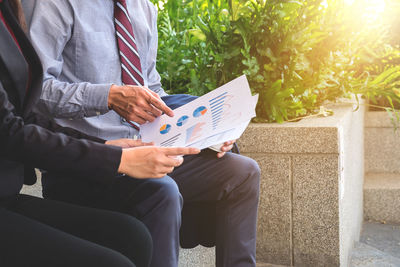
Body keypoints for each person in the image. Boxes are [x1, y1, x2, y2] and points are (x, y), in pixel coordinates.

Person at [25, 0, 261, 266]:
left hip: (147, 150)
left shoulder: (143, 7)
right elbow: (33, 90)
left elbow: (153, 88)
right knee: (162, 190)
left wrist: (209, 131)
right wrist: (108, 96)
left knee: (243, 173)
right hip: (86, 160)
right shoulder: (54, 4)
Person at [0, 0, 200, 266]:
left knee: (134, 237)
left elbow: (22, 116)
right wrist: (116, 159)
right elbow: (12, 130)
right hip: (53, 177)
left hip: (11, 193)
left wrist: (106, 146)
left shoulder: (8, 12)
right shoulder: (52, 6)